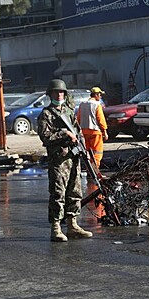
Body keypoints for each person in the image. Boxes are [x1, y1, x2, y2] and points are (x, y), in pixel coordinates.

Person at [37, 79, 93, 242]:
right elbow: (45, 137)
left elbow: (77, 131)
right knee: (58, 193)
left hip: (73, 157)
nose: (59, 94)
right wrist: (63, 134)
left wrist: (83, 148)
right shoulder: (46, 114)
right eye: (56, 92)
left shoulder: (69, 112)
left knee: (75, 192)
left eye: (62, 92)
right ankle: (56, 227)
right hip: (59, 160)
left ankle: (72, 224)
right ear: (50, 94)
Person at [77, 87, 108, 168]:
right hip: (95, 132)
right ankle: (96, 170)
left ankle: (89, 169)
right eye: (100, 95)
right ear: (96, 95)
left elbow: (78, 119)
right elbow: (101, 119)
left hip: (84, 132)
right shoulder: (97, 105)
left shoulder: (82, 104)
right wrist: (105, 131)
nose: (101, 97)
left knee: (87, 152)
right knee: (97, 153)